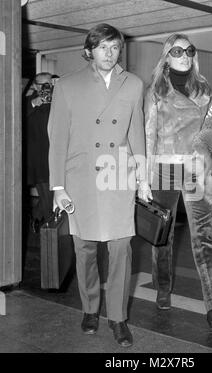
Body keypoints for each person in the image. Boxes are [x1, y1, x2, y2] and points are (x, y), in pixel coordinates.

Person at [47, 23, 150, 347]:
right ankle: (90, 308)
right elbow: (58, 138)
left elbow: (137, 135)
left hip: (118, 175)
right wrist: (57, 187)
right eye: (103, 47)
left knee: (121, 250)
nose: (110, 53)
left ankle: (118, 318)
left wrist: (143, 178)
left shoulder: (133, 84)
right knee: (86, 250)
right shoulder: (66, 85)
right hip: (81, 179)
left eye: (115, 47)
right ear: (89, 50)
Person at [143, 33, 212, 329]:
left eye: (189, 50)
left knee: (205, 237)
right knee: (163, 235)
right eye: (177, 50)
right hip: (163, 168)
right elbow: (149, 135)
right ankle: (162, 287)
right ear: (166, 56)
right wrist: (144, 178)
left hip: (196, 170)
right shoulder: (156, 90)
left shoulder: (204, 88)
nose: (184, 54)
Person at [24, 72, 56, 232]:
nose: (46, 88)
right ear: (36, 86)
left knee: (51, 197)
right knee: (48, 200)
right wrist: (34, 103)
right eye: (42, 84)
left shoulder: (57, 102)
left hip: (55, 159)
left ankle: (36, 217)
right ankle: (50, 235)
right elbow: (15, 119)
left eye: (49, 84)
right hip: (39, 161)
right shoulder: (27, 103)